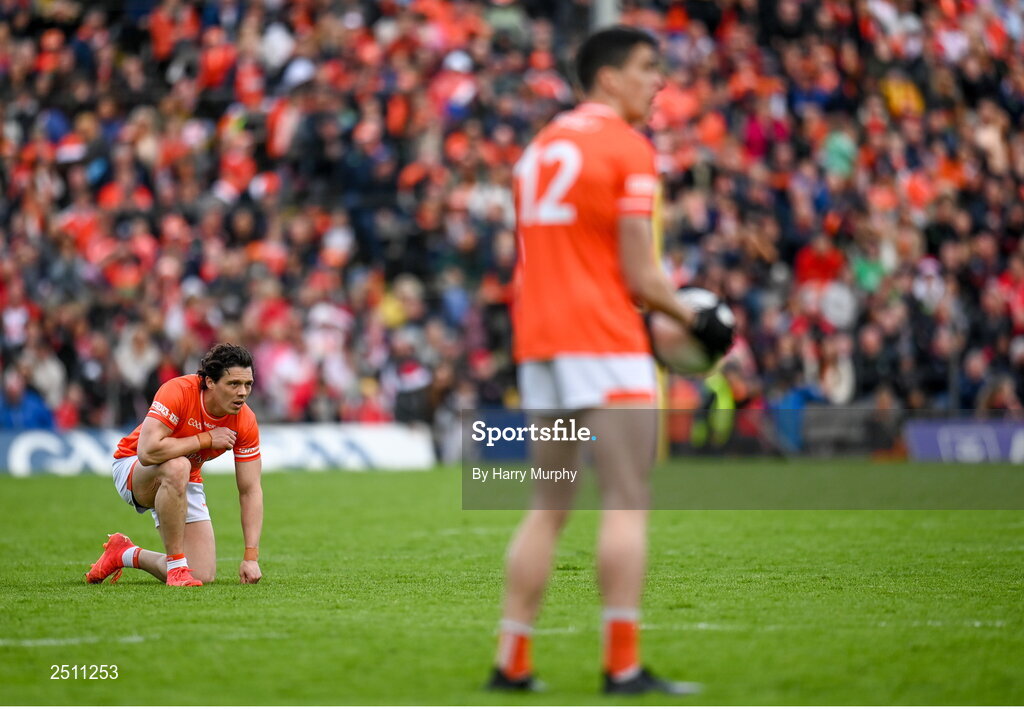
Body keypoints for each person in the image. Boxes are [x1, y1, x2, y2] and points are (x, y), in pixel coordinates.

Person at [487, 26, 731, 695]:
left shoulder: (537, 150)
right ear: (607, 78)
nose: (660, 82)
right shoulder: (628, 147)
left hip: (540, 341)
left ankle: (512, 661)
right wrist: (701, 320)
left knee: (549, 505)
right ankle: (622, 664)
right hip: (604, 338)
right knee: (627, 498)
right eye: (649, 68)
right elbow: (643, 278)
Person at [85, 343, 263, 587]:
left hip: (183, 476)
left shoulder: (245, 420)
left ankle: (123, 554)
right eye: (233, 384)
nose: (242, 392)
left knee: (201, 574)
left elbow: (250, 489)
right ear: (210, 382)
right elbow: (147, 451)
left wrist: (251, 557)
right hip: (134, 466)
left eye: (248, 384)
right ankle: (177, 567)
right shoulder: (178, 391)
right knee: (178, 466)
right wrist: (206, 439)